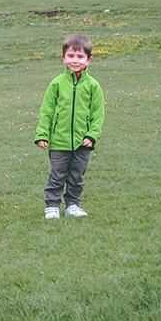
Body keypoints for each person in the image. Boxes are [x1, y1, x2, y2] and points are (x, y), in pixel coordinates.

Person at [34, 34, 105, 219]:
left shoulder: (93, 86)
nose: (75, 60)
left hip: (83, 143)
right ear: (63, 58)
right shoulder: (56, 84)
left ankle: (73, 205)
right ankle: (52, 206)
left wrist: (92, 135)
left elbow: (98, 114)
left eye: (80, 56)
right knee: (57, 175)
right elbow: (47, 110)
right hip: (59, 141)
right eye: (71, 56)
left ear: (89, 60)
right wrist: (42, 134)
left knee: (76, 176)